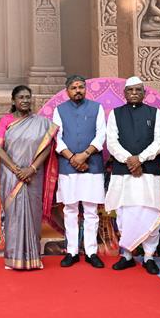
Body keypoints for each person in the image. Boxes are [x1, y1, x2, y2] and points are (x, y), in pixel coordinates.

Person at [105, 77, 160, 275]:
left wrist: (139, 159)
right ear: (124, 93)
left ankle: (149, 256)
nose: (134, 93)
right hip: (124, 172)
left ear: (144, 93)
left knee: (151, 213)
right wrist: (129, 160)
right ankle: (127, 255)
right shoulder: (115, 114)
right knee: (125, 214)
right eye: (130, 90)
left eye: (138, 90)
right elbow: (111, 142)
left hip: (149, 172)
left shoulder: (154, 113)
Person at [0, 86, 57, 270]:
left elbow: (46, 147)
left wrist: (31, 169)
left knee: (33, 214)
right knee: (13, 216)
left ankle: (33, 257)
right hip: (10, 175)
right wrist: (16, 170)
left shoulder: (41, 123)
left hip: (33, 175)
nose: (25, 100)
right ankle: (13, 257)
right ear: (13, 101)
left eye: (28, 97)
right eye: (21, 97)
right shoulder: (6, 121)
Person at [51, 75, 106, 269]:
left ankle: (91, 252)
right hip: (68, 166)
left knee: (91, 211)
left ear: (85, 89)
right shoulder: (59, 110)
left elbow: (101, 134)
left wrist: (84, 155)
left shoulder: (97, 108)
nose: (78, 91)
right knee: (70, 210)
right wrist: (73, 158)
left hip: (92, 165)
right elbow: (57, 138)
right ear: (67, 91)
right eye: (73, 88)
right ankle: (72, 251)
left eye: (81, 87)